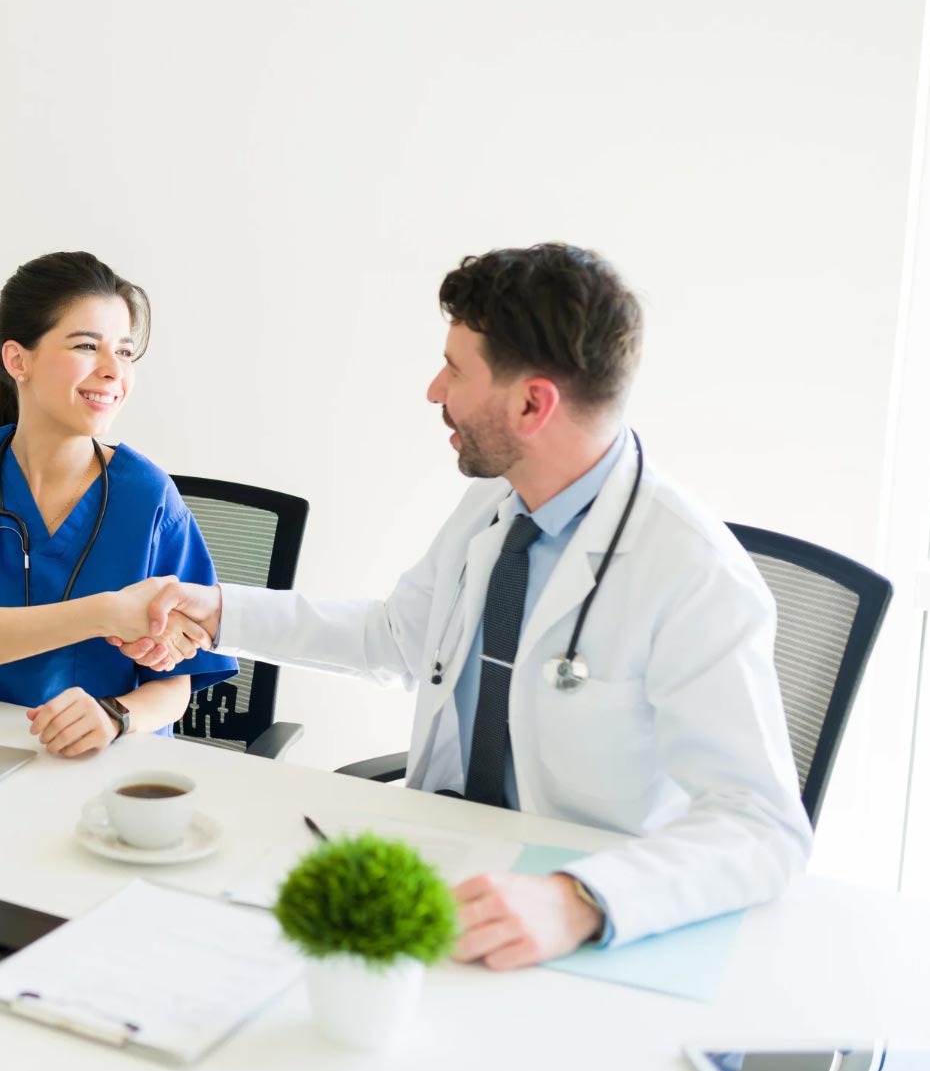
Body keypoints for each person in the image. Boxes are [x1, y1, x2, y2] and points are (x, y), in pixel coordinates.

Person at [115, 243, 811, 964]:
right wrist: (218, 612)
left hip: (577, 914)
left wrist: (579, 900)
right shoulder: (496, 505)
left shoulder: (692, 573)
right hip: (449, 865)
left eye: (455, 368)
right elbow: (395, 637)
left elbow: (763, 827)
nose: (432, 390)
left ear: (533, 403)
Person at [0, 251, 237, 757]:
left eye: (125, 353)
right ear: (18, 360)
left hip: (112, 762)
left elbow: (177, 681)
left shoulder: (147, 496)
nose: (113, 371)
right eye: (87, 346)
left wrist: (116, 716)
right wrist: (106, 613)